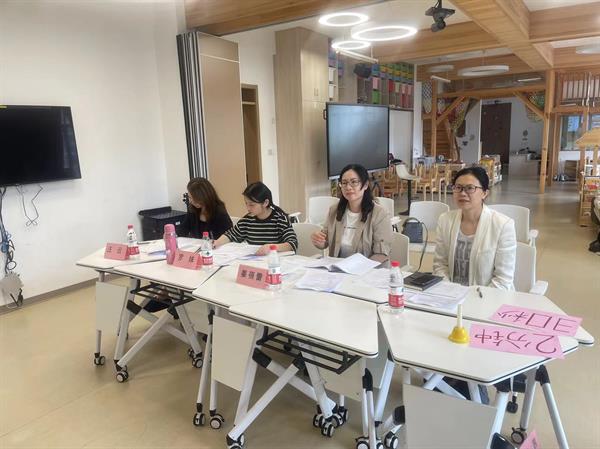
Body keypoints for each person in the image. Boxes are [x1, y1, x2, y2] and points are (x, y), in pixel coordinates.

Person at [433, 166, 517, 290]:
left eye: (470, 188)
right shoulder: (445, 220)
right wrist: (449, 291)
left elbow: (503, 280)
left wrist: (473, 298)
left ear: (484, 193)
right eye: (458, 187)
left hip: (488, 296)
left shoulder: (503, 225)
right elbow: (440, 265)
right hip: (451, 295)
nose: (462, 193)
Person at [310, 164, 392, 262]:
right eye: (344, 183)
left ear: (365, 185)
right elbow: (325, 242)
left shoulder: (380, 214)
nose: (348, 187)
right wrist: (318, 240)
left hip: (369, 269)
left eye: (354, 182)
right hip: (338, 268)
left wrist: (358, 267)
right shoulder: (334, 210)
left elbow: (381, 254)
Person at [214, 181, 298, 255]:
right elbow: (230, 235)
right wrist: (216, 243)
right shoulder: (247, 220)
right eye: (246, 204)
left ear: (265, 203)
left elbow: (292, 244)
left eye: (252, 205)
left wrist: (271, 247)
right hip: (255, 261)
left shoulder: (280, 219)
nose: (248, 208)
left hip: (276, 262)